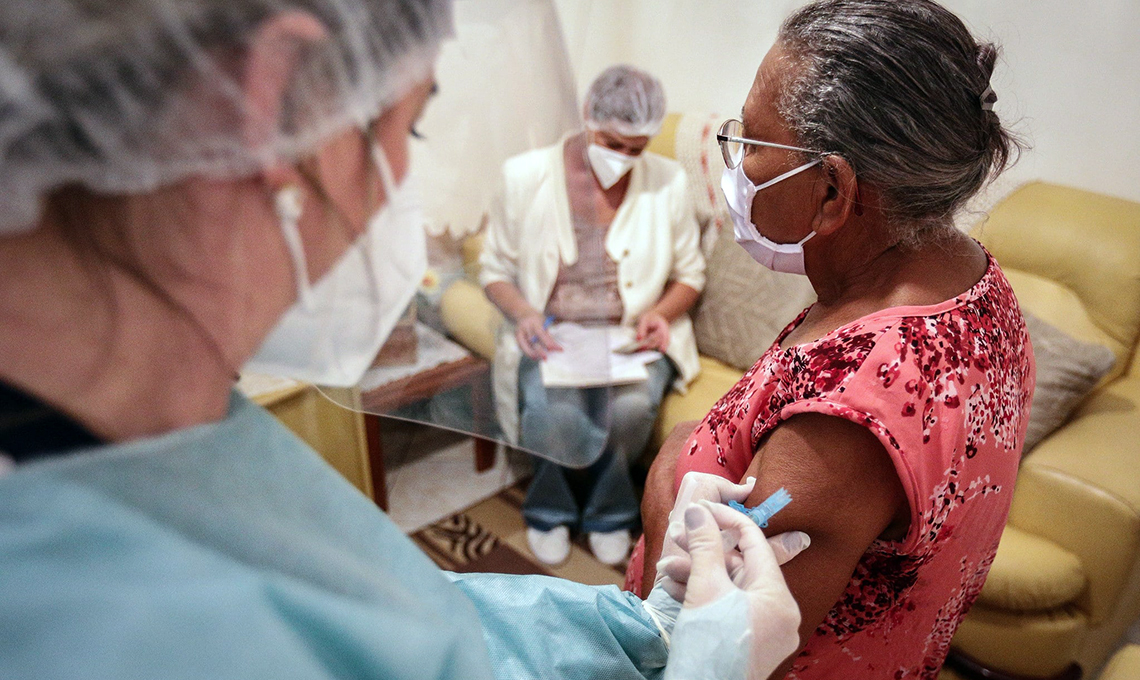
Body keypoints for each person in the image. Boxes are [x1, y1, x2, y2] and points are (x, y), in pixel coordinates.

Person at [0, 1, 810, 679]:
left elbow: (419, 634)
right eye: (413, 126)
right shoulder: (130, 629)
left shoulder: (153, 432)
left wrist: (639, 626)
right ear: (268, 104)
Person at [629, 1, 1036, 678]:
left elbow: (708, 655)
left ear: (832, 191)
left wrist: (660, 493)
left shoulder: (847, 417)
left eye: (753, 142)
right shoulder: (976, 285)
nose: (738, 165)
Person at [481, 65, 705, 566]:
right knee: (553, 411)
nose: (622, 159)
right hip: (554, 331)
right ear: (586, 115)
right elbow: (494, 268)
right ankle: (549, 509)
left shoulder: (666, 182)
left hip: (629, 336)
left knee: (627, 409)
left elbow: (691, 273)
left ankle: (609, 512)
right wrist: (523, 315)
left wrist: (660, 314)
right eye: (611, 142)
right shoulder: (523, 177)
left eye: (636, 148)